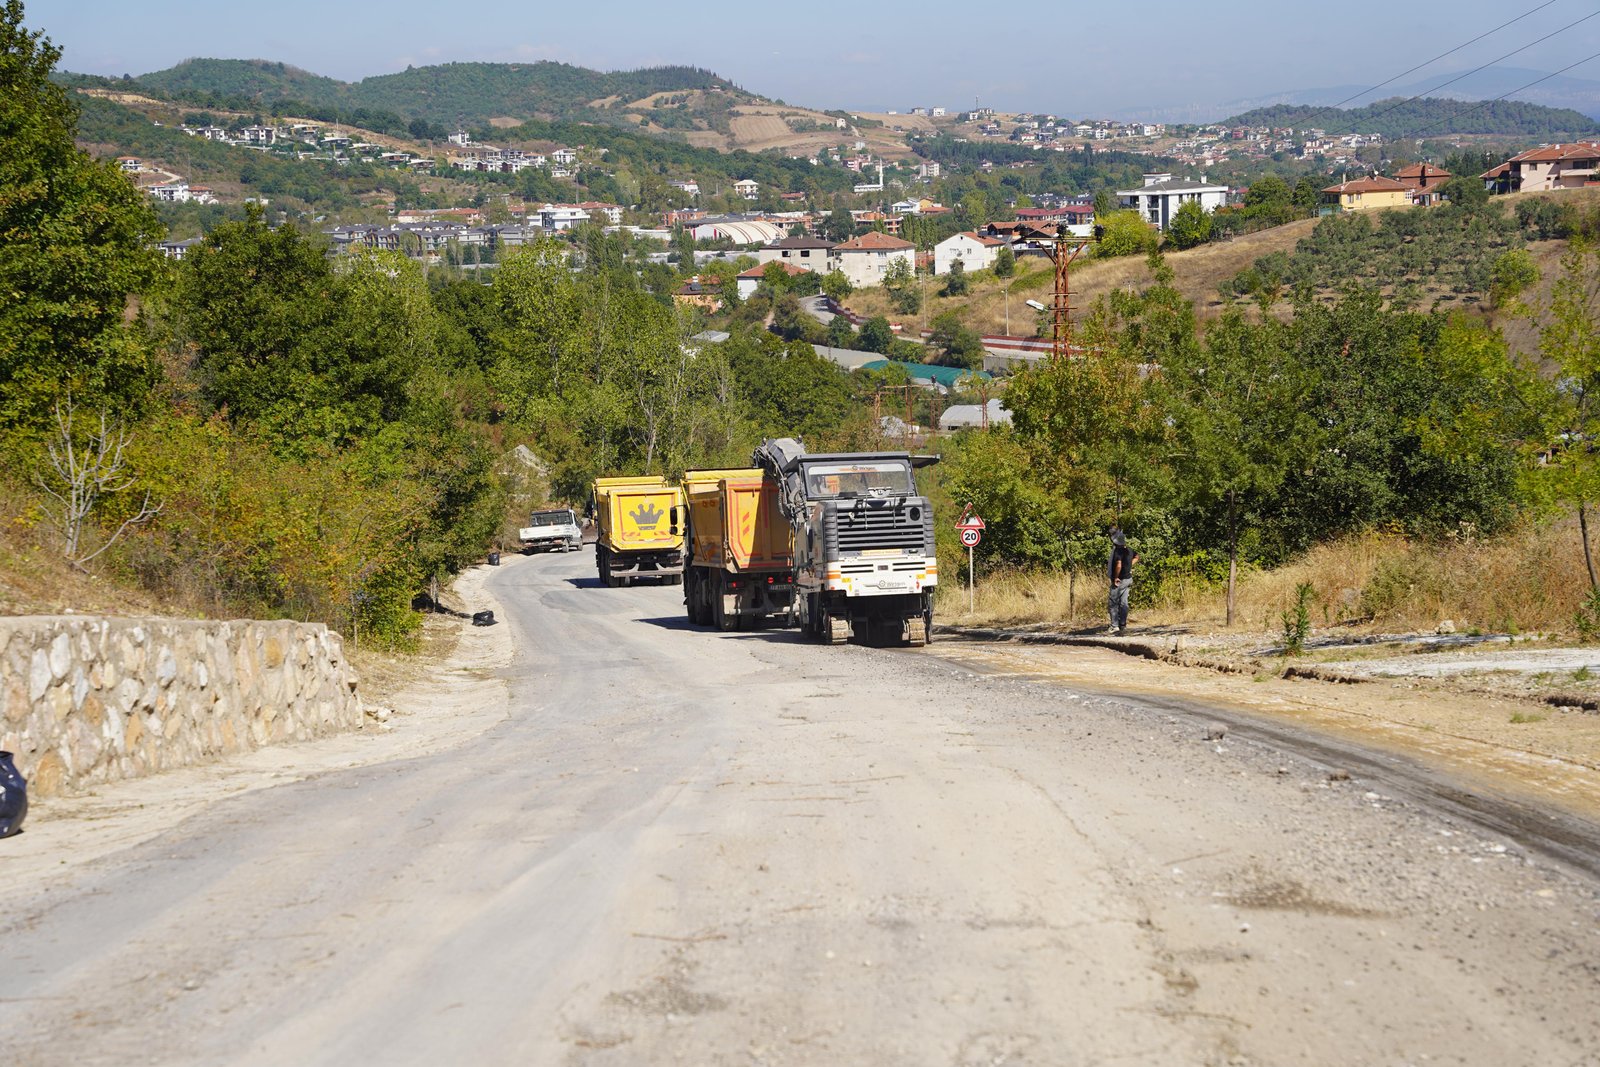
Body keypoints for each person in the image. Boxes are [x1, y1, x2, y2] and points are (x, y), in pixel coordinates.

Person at [1107, 527, 1138, 635]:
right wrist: (1129, 567)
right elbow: (1137, 557)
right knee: (1124, 602)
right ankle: (1123, 625)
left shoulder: (1118, 551)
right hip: (1128, 579)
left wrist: (1116, 577)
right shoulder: (1129, 549)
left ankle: (1115, 626)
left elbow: (1119, 565)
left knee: (1113, 602)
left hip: (1120, 580)